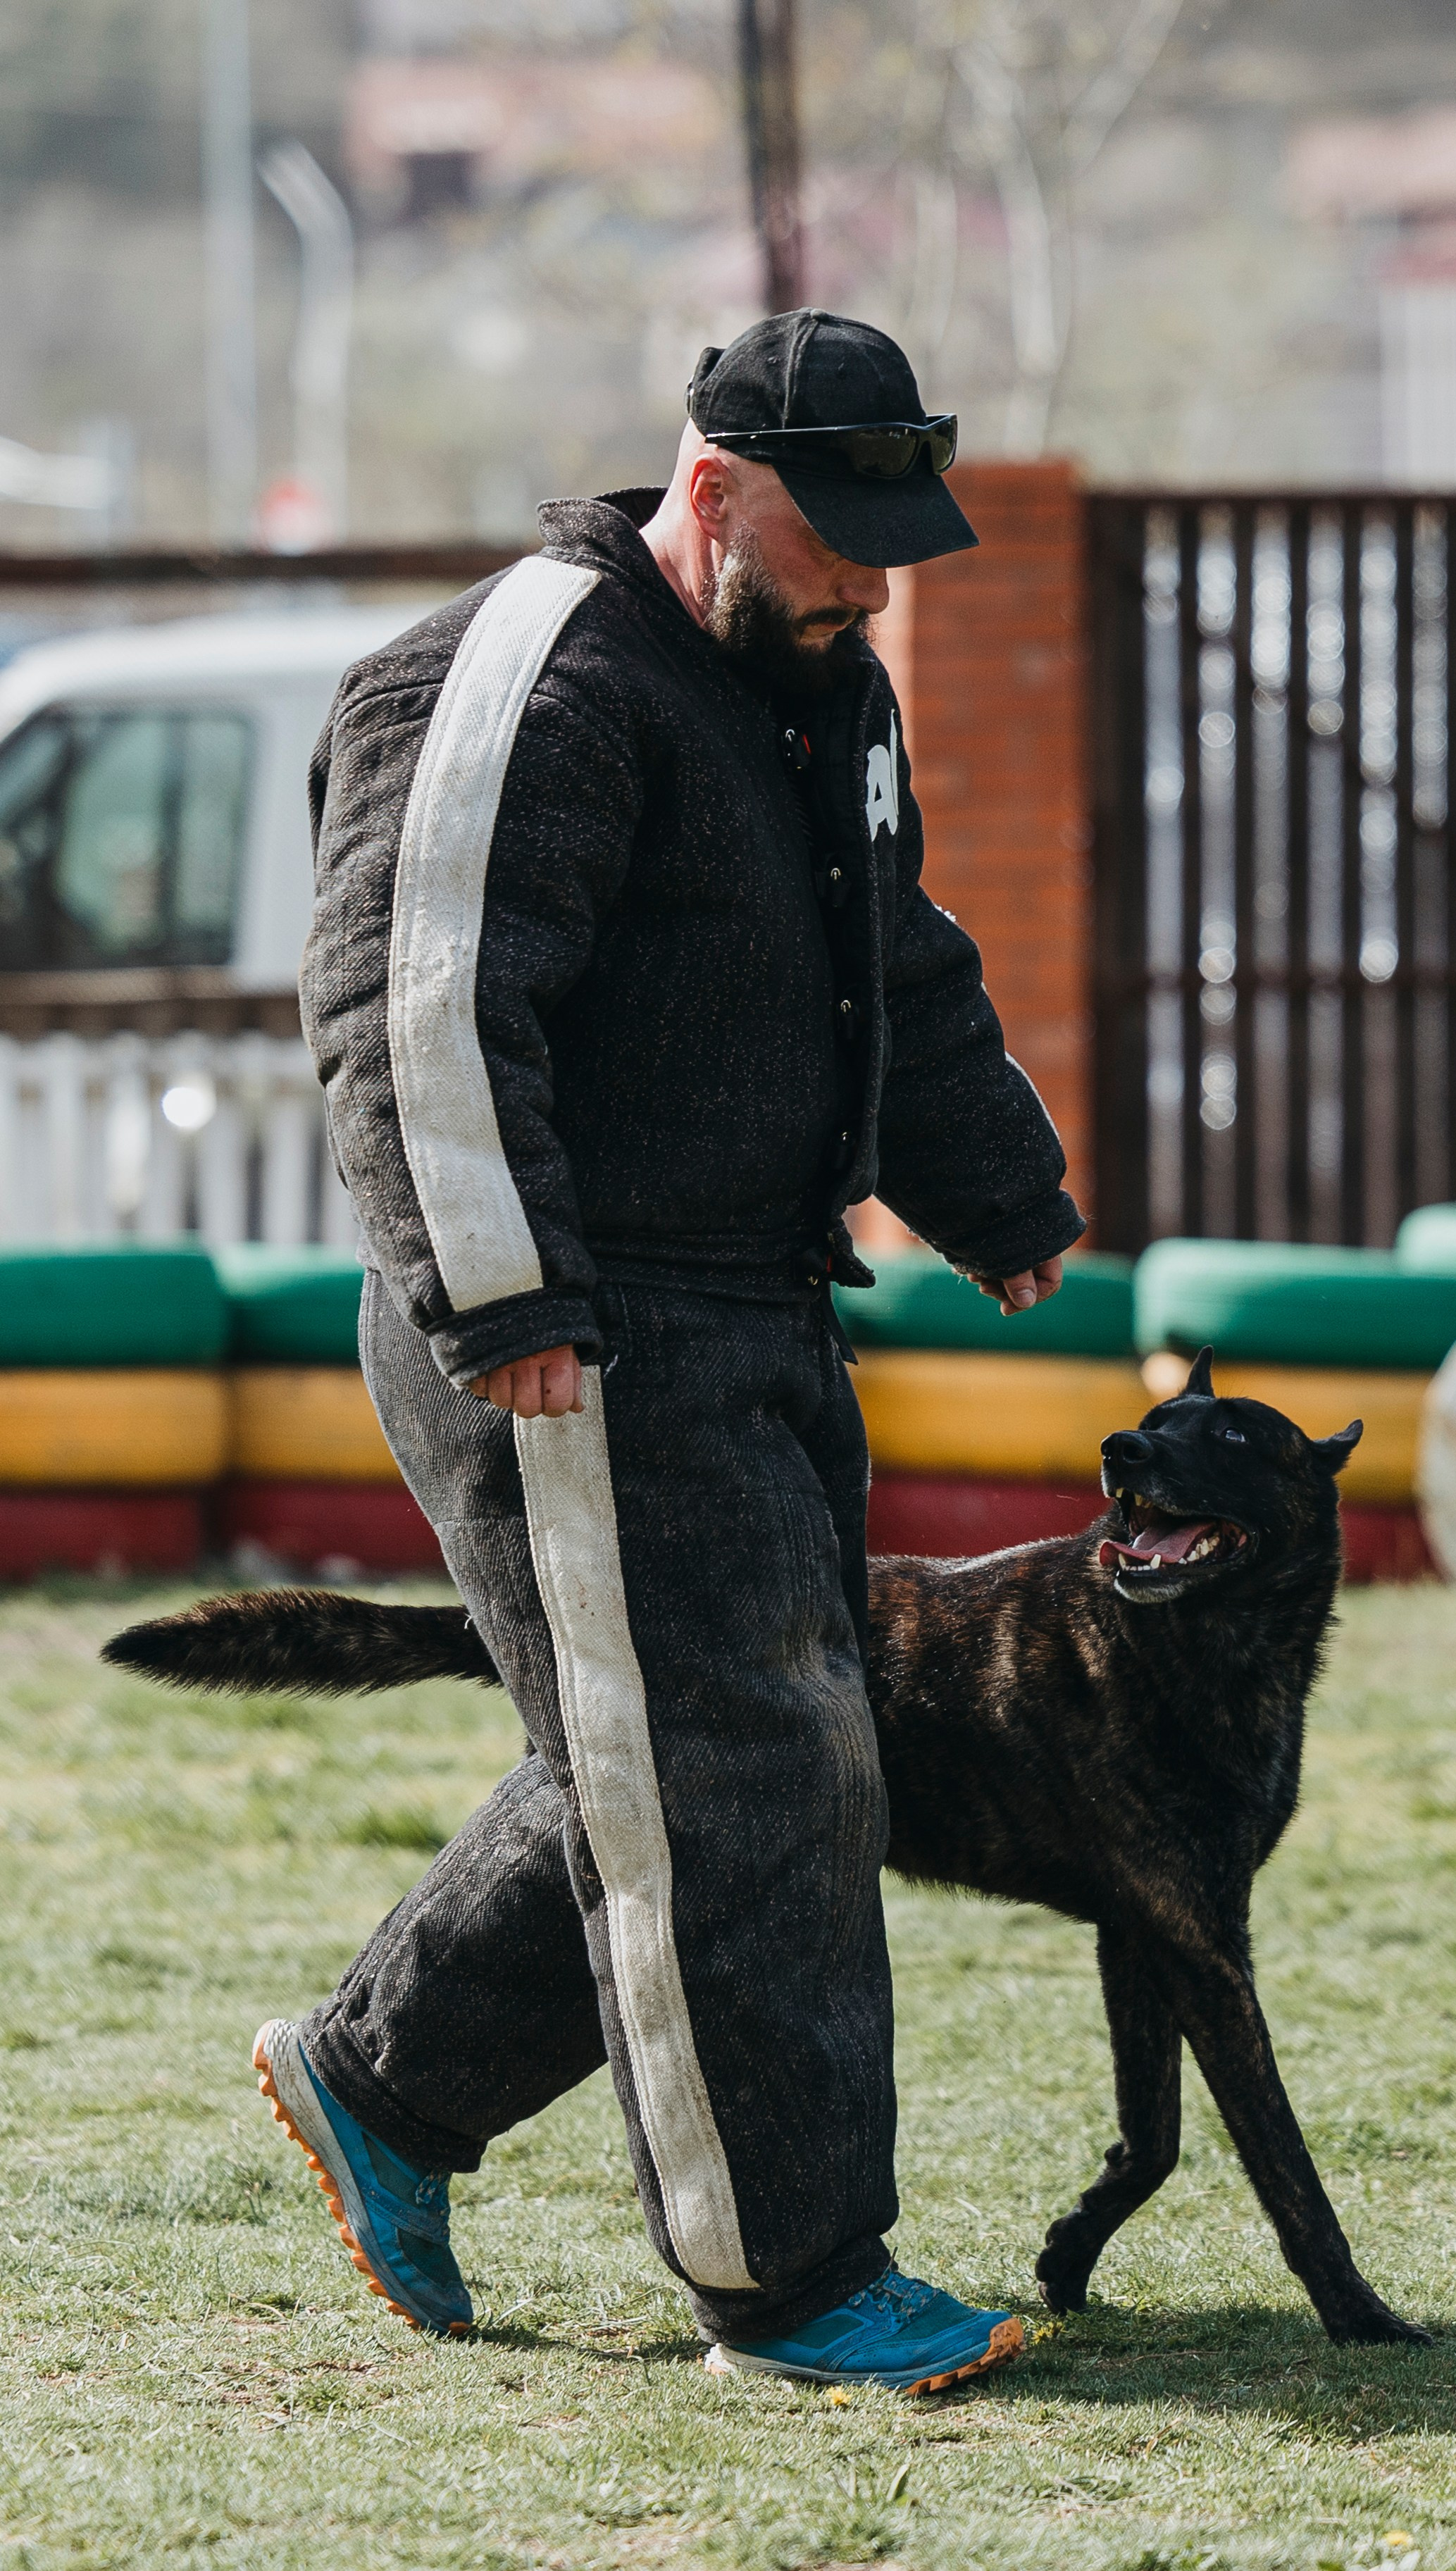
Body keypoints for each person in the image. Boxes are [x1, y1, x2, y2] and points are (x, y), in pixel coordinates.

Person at [253, 307, 1085, 2393]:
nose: (875, 585)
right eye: (840, 534)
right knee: (738, 1766)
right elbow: (410, 1007)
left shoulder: (817, 676)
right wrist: (509, 1293)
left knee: (720, 1747)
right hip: (571, 1318)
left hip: (753, 1299)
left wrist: (999, 1199)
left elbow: (887, 954)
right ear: (709, 487)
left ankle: (383, 2079)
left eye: (900, 539)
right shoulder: (521, 675)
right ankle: (792, 2284)